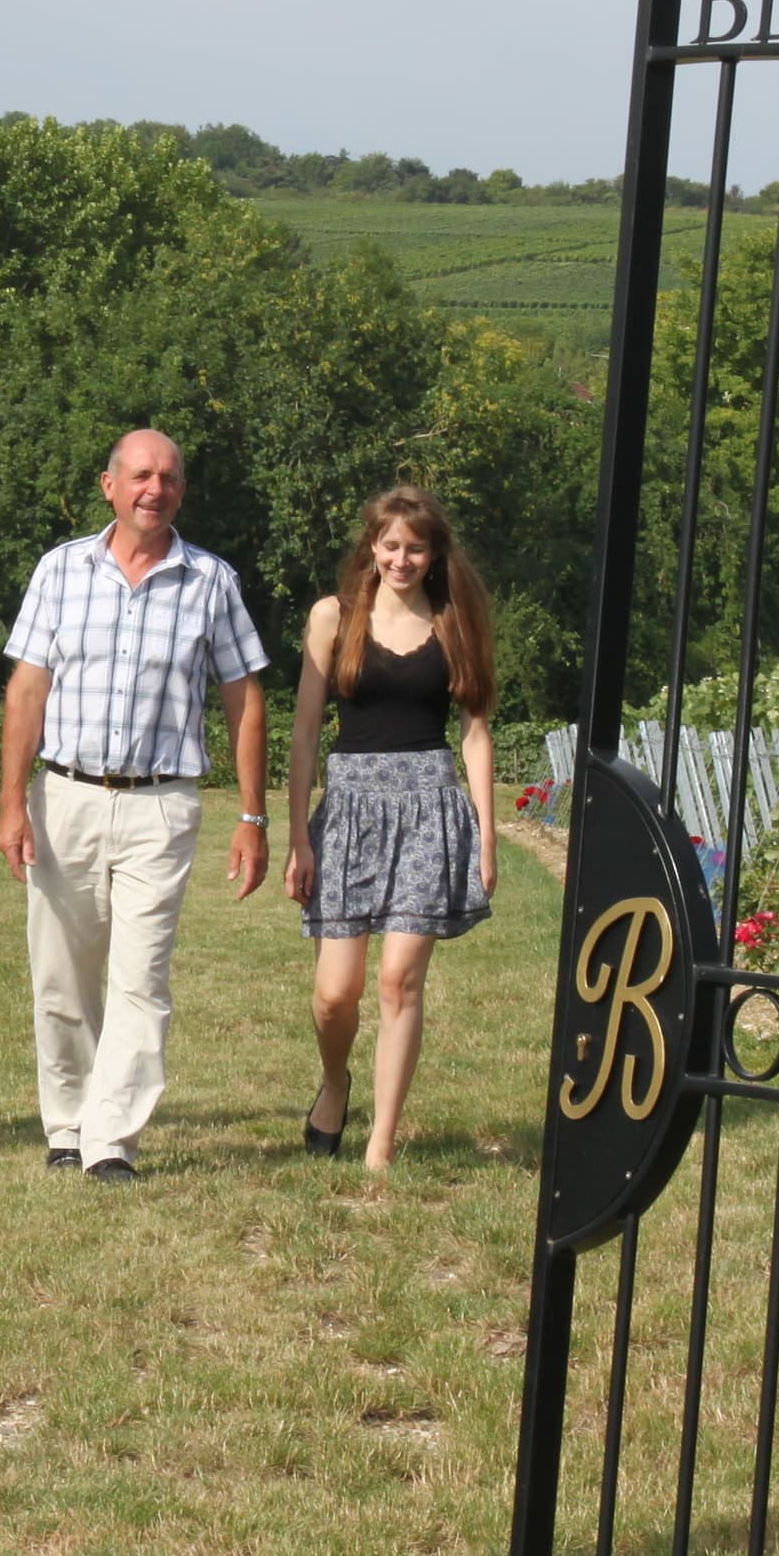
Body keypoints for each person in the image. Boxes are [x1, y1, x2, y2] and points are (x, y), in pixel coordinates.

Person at [0, 429, 270, 1184]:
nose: (157, 488)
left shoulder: (210, 581)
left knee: (140, 977)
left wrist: (252, 817)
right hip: (66, 798)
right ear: (109, 486)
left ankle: (111, 1140)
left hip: (162, 806)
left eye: (171, 478)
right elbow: (26, 690)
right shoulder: (60, 570)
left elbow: (245, 698)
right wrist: (12, 802)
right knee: (62, 975)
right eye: (142, 475)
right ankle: (67, 1123)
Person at [284, 485, 497, 1174]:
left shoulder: (454, 618)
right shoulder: (333, 616)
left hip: (430, 809)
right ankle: (337, 1082)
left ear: (434, 553)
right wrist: (298, 836)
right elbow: (307, 730)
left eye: (416, 547)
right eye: (391, 545)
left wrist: (487, 837)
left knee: (400, 981)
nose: (402, 558)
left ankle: (380, 1147)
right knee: (334, 994)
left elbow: (475, 732)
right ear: (372, 546)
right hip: (347, 812)